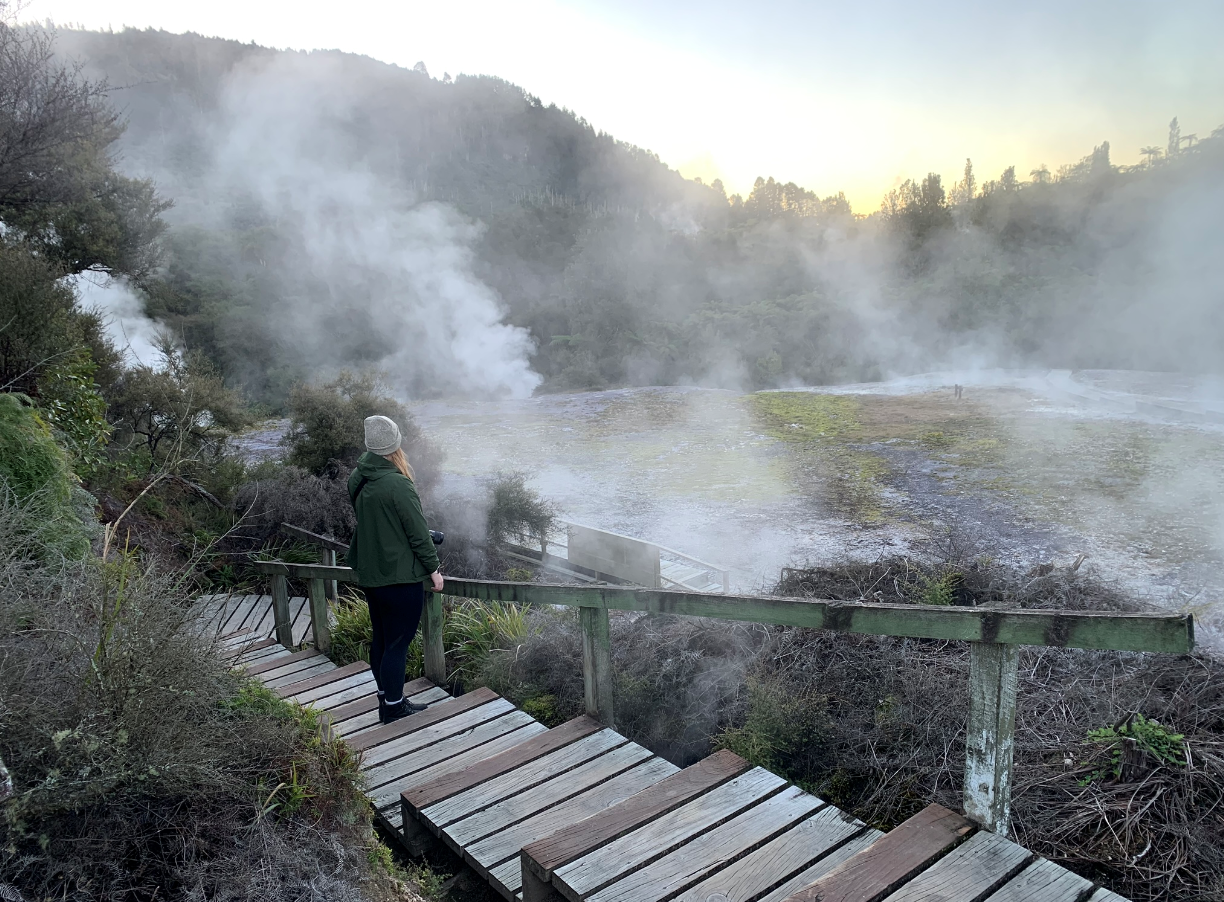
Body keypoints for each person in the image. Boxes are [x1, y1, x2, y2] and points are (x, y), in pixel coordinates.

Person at [347, 415, 444, 724]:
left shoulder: (357, 478)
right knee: (398, 644)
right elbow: (416, 532)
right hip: (400, 577)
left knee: (382, 639)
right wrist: (434, 570)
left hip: (371, 573)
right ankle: (393, 707)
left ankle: (386, 697)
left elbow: (378, 523)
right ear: (395, 446)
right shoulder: (398, 483)